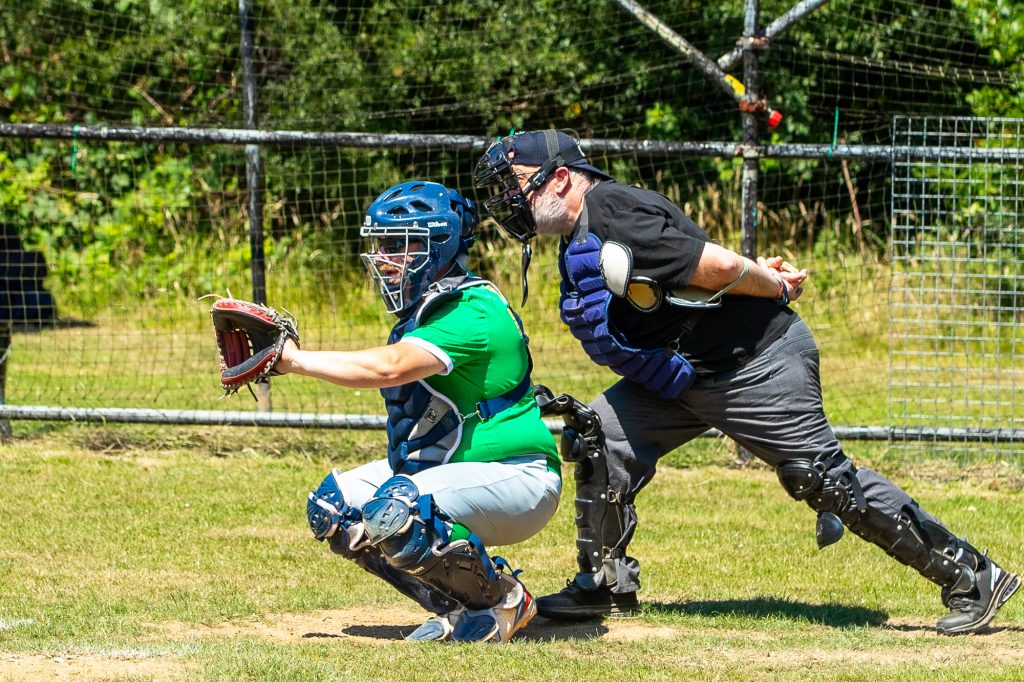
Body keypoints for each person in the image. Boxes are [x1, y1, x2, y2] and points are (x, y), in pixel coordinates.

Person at [472, 129, 1020, 636]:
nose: (508, 199)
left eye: (515, 184)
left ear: (560, 178)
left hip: (753, 361)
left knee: (823, 479)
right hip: (682, 371)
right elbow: (688, 272)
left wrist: (774, 286)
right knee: (600, 437)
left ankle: (973, 576)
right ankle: (602, 584)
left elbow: (714, 265)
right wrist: (757, 270)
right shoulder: (586, 227)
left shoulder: (615, 212)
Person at [276, 180, 561, 643]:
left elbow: (388, 368)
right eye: (381, 245)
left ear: (439, 245)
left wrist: (293, 360)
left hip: (517, 476)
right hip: (451, 470)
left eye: (398, 245)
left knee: (398, 508)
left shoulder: (472, 308)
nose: (384, 258)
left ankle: (501, 599)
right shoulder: (426, 312)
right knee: (333, 508)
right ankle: (455, 607)